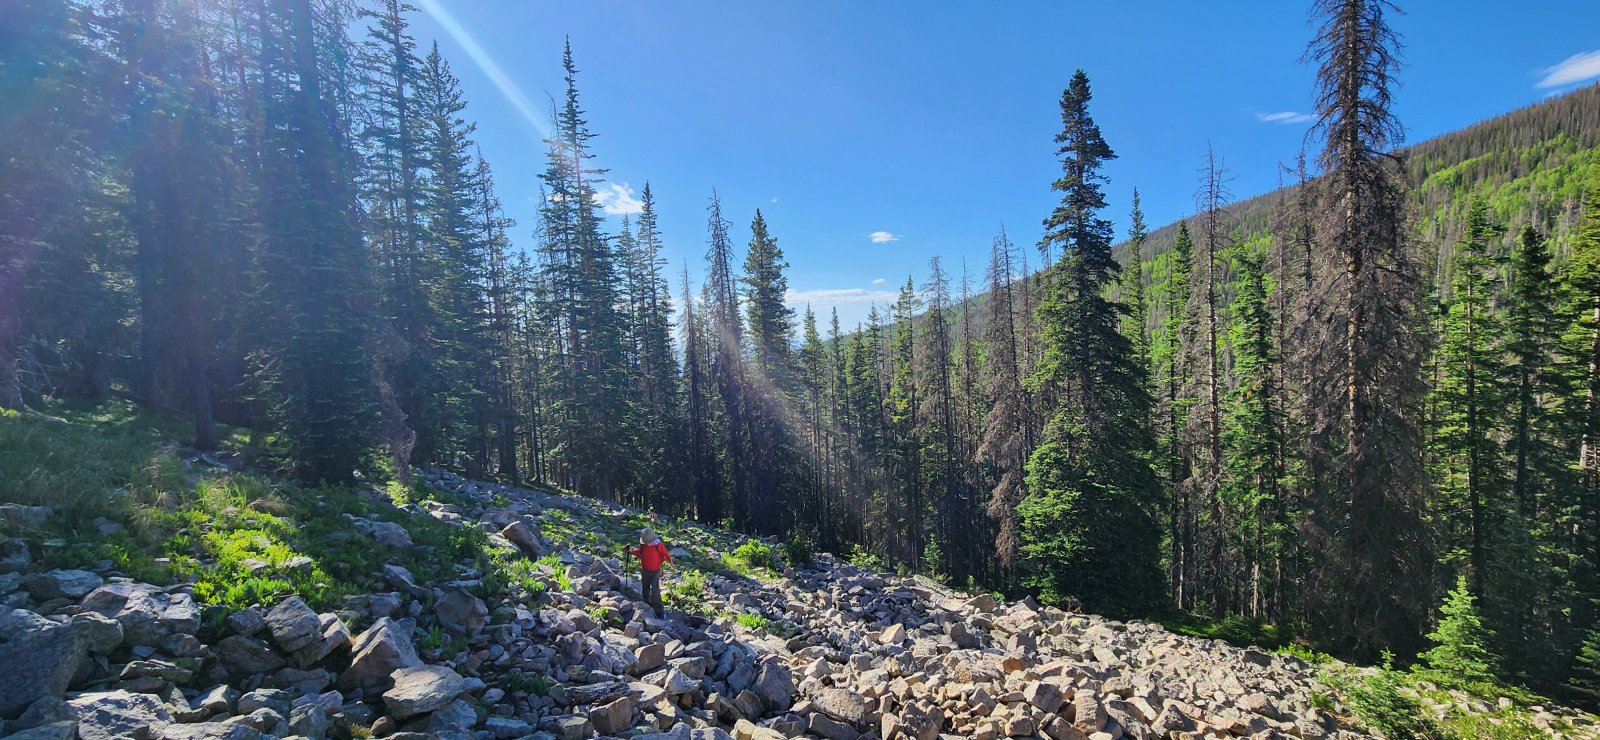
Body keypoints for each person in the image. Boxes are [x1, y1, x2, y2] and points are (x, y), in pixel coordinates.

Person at [627, 527, 673, 618]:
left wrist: (670, 561)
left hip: (656, 570)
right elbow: (640, 553)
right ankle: (647, 605)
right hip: (645, 570)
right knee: (645, 588)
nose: (648, 543)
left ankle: (659, 610)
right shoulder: (642, 545)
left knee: (655, 589)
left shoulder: (657, 544)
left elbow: (665, 553)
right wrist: (631, 552)